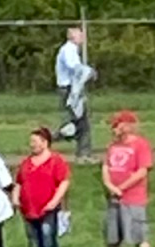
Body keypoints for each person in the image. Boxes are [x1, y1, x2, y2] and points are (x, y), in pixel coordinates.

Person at [102, 110, 154, 247]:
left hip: (133, 198)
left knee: (140, 234)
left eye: (116, 125)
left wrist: (122, 187)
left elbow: (142, 171)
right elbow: (105, 167)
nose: (113, 129)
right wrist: (109, 185)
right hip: (113, 198)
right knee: (113, 237)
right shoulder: (112, 146)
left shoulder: (140, 145)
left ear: (127, 126)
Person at [13, 128, 70, 247]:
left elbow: (63, 183)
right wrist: (16, 197)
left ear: (45, 143)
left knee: (48, 239)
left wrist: (54, 202)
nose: (31, 145)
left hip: (47, 209)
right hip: (29, 209)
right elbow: (19, 182)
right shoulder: (26, 163)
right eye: (31, 142)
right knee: (33, 242)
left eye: (35, 142)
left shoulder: (55, 161)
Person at [54, 27, 94, 161]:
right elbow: (74, 67)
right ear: (72, 37)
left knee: (79, 122)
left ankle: (82, 152)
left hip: (72, 89)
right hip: (70, 89)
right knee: (82, 123)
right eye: (80, 35)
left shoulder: (70, 49)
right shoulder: (69, 49)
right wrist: (89, 72)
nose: (83, 37)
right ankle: (83, 154)